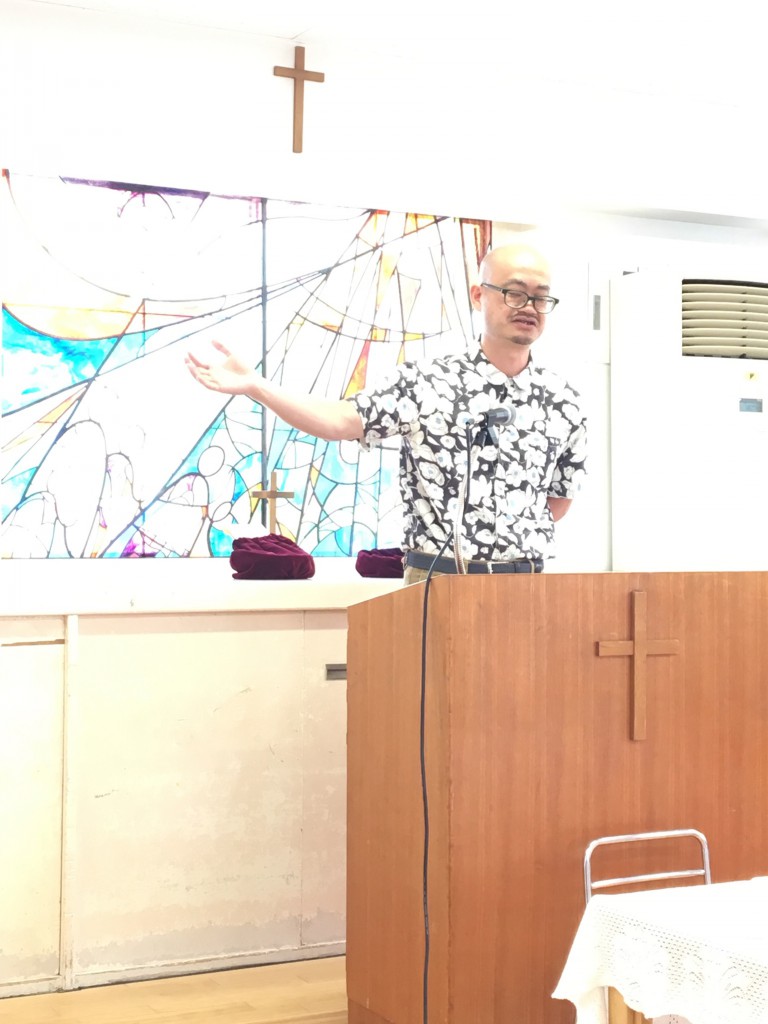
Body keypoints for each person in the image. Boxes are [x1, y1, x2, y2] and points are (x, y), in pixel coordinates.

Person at [185, 243, 586, 584]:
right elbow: (341, 420)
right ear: (479, 295)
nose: (529, 307)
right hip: (437, 579)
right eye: (514, 293)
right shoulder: (426, 382)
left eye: (541, 297)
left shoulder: (563, 401)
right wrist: (257, 386)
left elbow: (558, 500)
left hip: (527, 585)